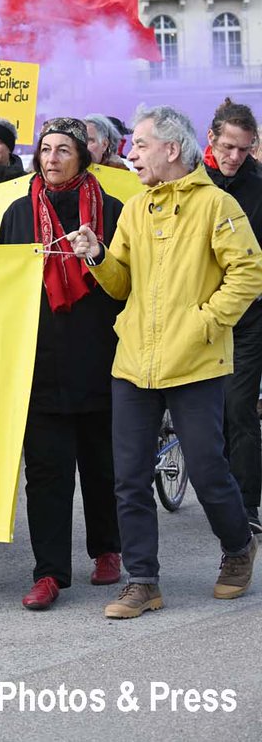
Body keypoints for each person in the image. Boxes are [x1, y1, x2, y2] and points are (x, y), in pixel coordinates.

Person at [69, 105, 262, 619]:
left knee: (207, 468)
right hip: (133, 362)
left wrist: (205, 323)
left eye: (141, 144)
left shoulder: (216, 205)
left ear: (171, 149)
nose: (132, 153)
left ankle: (239, 546)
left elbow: (248, 272)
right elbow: (121, 284)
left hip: (195, 362)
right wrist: (96, 257)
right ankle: (143, 581)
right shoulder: (135, 209)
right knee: (128, 476)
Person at [0, 118, 124, 610]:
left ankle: (107, 549)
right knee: (46, 475)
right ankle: (49, 572)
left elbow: (124, 281)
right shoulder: (16, 214)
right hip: (39, 360)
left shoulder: (111, 210)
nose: (51, 159)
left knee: (101, 465)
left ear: (83, 157)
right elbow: (1, 285)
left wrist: (98, 255)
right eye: (45, 150)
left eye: (63, 150)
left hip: (99, 355)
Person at [203, 98, 262, 536]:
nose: (234, 157)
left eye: (243, 149)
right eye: (228, 147)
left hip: (248, 316)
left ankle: (245, 507)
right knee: (212, 413)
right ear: (211, 140)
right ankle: (217, 495)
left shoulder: (259, 184)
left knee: (240, 409)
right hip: (199, 314)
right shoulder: (191, 182)